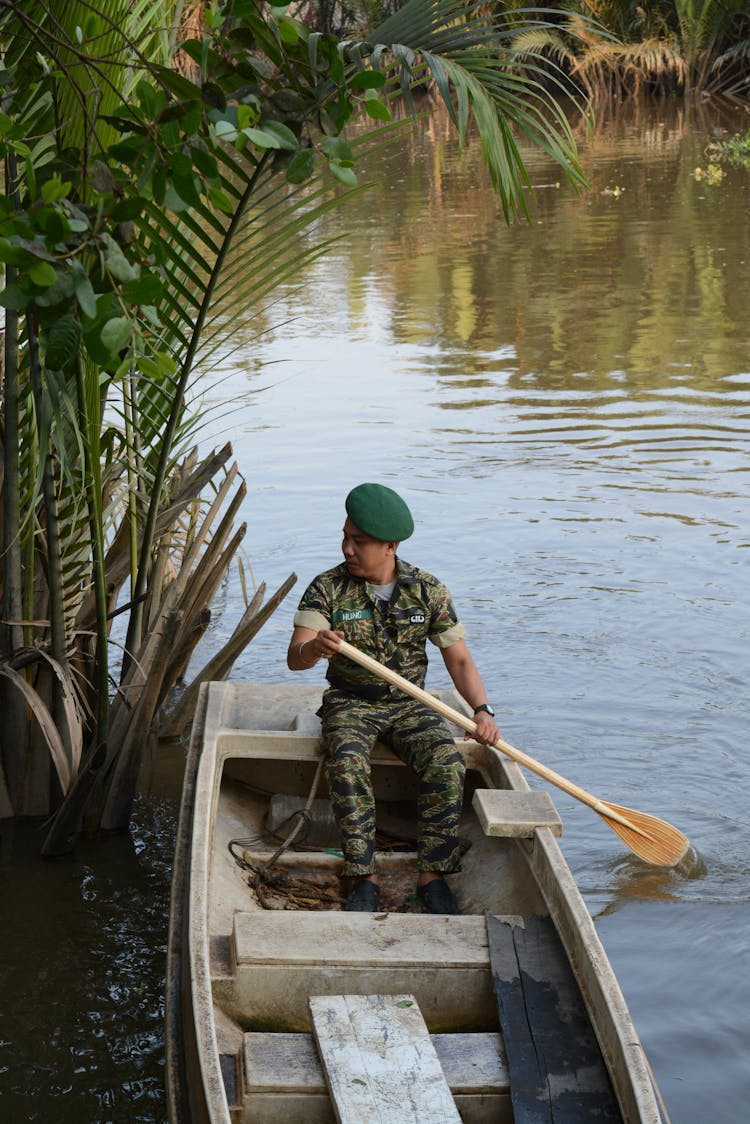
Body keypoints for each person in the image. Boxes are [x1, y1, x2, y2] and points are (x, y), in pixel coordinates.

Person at [287, 482, 500, 914]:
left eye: (359, 541)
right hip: (351, 701)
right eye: (345, 536)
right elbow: (296, 658)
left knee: (446, 763)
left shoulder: (427, 590)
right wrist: (316, 648)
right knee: (346, 761)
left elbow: (459, 662)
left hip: (409, 703)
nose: (347, 548)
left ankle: (432, 875)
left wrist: (481, 710)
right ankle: (362, 875)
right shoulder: (327, 588)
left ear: (390, 546)